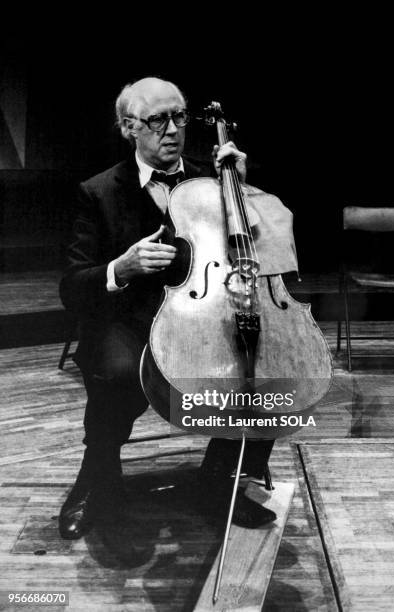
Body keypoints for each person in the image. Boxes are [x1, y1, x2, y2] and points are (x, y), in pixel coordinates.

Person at [59, 77, 277, 540]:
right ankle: (98, 477)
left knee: (266, 368)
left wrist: (241, 186)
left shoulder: (215, 177)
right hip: (131, 322)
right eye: (158, 119)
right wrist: (121, 267)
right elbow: (72, 287)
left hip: (206, 315)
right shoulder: (97, 192)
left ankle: (219, 479)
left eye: (180, 116)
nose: (173, 129)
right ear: (128, 127)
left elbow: (259, 247)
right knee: (117, 371)